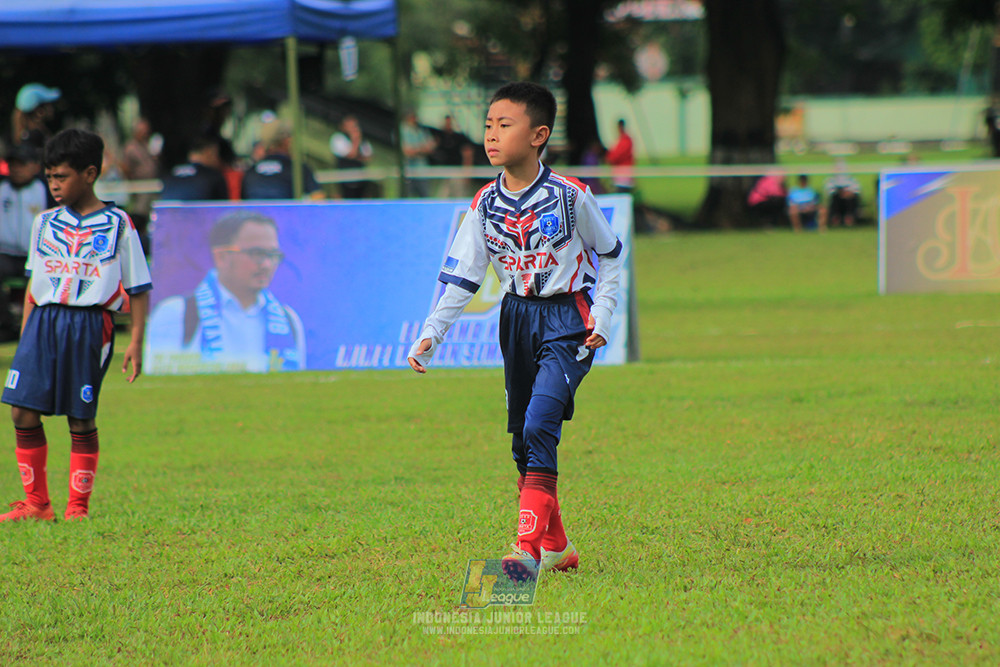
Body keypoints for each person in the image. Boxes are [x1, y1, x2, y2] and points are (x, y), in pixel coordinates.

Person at [407, 82, 625, 581]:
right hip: (516, 318)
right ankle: (558, 547)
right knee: (522, 445)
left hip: (569, 318)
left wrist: (603, 317)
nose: (491, 134)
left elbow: (611, 256)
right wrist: (430, 335)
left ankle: (524, 552)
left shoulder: (572, 197)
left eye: (505, 125)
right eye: (488, 125)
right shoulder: (484, 204)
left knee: (539, 424)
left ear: (538, 135)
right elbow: (462, 278)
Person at [0, 128, 151, 522]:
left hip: (89, 324)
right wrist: (25, 337)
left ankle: (77, 508)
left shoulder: (119, 223)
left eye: (61, 176)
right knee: (21, 411)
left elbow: (137, 287)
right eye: (49, 176)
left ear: (89, 173)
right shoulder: (44, 223)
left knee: (80, 414)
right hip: (43, 323)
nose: (53, 185)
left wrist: (135, 340)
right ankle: (37, 504)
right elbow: (35, 285)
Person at [145, 211, 306, 374]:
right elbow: (159, 377)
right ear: (221, 257)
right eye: (257, 254)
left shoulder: (288, 319)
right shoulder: (176, 313)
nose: (266, 264)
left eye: (273, 255)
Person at [0, 143, 55, 338]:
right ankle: (5, 325)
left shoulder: (46, 190)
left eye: (22, 164)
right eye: (13, 164)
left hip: (37, 255)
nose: (16, 169)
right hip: (4, 254)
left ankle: (39, 326)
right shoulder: (2, 187)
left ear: (34, 166)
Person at [242, 119, 323, 200]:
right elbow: (318, 200)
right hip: (286, 212)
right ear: (286, 141)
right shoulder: (297, 169)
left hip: (255, 212)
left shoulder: (250, 171)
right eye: (290, 137)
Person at [120, 117, 159, 250]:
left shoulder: (148, 145)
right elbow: (125, 168)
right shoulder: (130, 147)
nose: (146, 133)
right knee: (140, 217)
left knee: (151, 216)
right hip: (140, 188)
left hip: (152, 187)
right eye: (143, 130)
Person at [159, 135, 230, 201]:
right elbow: (223, 210)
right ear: (208, 152)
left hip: (170, 214)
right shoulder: (213, 176)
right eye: (215, 154)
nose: (217, 160)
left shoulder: (169, 175)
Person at [329, 115, 374, 199]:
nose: (353, 129)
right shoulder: (338, 138)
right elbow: (350, 154)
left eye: (355, 126)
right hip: (344, 179)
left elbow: (368, 157)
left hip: (361, 178)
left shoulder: (363, 140)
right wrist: (355, 140)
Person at [431, 114, 474, 199]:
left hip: (457, 172)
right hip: (443, 172)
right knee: (442, 196)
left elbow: (468, 154)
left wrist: (467, 172)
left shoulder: (459, 137)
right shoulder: (440, 137)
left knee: (459, 196)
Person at [11, 83, 61, 149]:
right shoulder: (37, 138)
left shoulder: (26, 136)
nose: (52, 108)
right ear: (39, 111)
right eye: (49, 104)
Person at [401, 110, 435, 198]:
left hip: (422, 173)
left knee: (425, 198)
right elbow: (407, 151)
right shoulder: (402, 130)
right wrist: (421, 149)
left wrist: (416, 149)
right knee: (406, 199)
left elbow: (431, 146)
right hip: (408, 172)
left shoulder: (420, 130)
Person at [824, 160, 861, 227]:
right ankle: (835, 219)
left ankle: (849, 219)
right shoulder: (831, 180)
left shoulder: (851, 179)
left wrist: (848, 193)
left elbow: (856, 190)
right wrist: (840, 193)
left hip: (849, 200)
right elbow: (829, 191)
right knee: (835, 199)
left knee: (851, 200)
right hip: (837, 200)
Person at [605, 119, 635, 194]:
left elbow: (616, 156)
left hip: (623, 176)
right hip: (619, 175)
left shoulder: (625, 140)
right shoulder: (621, 140)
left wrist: (609, 158)